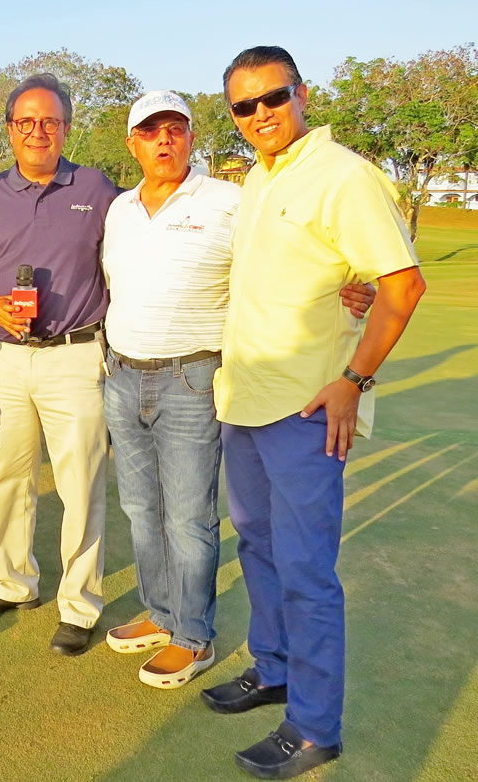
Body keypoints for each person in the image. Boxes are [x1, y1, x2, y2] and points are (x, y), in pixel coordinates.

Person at [201, 46, 425, 780]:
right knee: (258, 548)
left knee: (305, 570)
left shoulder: (342, 175)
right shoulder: (260, 178)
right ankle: (273, 669)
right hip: (246, 400)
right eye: (244, 106)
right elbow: (329, 274)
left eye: (274, 97)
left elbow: (402, 284)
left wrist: (354, 379)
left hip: (307, 408)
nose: (260, 114)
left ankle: (314, 726)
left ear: (302, 94)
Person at [101, 91, 374, 689]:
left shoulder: (229, 200)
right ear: (133, 143)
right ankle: (161, 612)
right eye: (150, 131)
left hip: (191, 376)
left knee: (188, 517)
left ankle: (193, 637)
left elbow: (289, 260)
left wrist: (350, 286)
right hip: (121, 374)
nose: (164, 140)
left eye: (175, 129)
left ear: (191, 137)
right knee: (141, 510)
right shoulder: (119, 208)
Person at [0, 73, 121, 656]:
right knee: (9, 475)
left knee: (81, 483)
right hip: (4, 355)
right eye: (25, 122)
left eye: (49, 121)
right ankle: (13, 582)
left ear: (66, 128)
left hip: (76, 355)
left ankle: (79, 605)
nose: (37, 132)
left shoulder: (96, 189)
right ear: (9, 129)